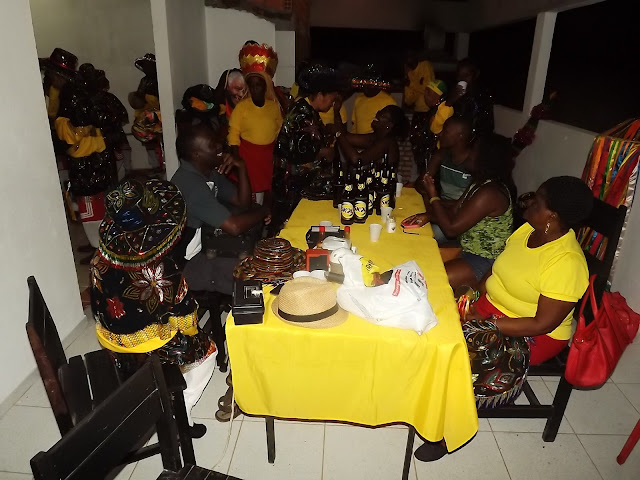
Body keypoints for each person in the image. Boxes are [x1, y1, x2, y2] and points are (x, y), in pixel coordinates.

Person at [90, 178, 215, 439]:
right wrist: (193, 334)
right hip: (148, 344)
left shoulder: (99, 257)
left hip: (109, 337)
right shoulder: (161, 268)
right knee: (207, 352)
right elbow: (185, 319)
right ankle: (182, 411)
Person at [471, 176, 593, 364]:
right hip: (493, 309)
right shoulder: (527, 230)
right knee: (439, 321)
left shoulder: (567, 263)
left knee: (458, 354)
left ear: (551, 216)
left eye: (537, 200)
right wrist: (474, 296)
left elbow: (541, 324)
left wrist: (486, 324)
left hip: (533, 334)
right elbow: (497, 270)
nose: (529, 201)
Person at [171, 123, 270, 295]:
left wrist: (241, 167)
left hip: (207, 247)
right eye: (212, 145)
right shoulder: (190, 184)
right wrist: (264, 210)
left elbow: (242, 203)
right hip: (187, 264)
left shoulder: (209, 173)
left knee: (263, 258)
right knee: (257, 274)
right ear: (196, 154)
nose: (219, 146)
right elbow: (234, 227)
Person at [419, 134, 515, 290]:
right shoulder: (480, 183)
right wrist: (429, 215)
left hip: (485, 259)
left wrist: (433, 195)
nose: (469, 154)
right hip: (468, 250)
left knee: (430, 281)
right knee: (420, 260)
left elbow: (451, 230)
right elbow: (455, 210)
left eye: (474, 151)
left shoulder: (490, 193)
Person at [271, 64, 341, 234]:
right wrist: (324, 152)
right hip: (293, 181)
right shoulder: (302, 113)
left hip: (298, 179)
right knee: (289, 223)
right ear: (320, 95)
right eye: (331, 99)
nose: (332, 104)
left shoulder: (307, 110)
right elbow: (298, 152)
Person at [228, 42, 283, 199]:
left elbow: (279, 130)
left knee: (266, 192)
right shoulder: (242, 107)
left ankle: (264, 213)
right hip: (248, 156)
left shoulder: (273, 107)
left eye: (258, 85)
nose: (255, 89)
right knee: (250, 191)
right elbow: (233, 133)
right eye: (251, 86)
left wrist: (278, 153)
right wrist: (236, 157)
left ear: (265, 86)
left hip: (267, 156)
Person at [336, 105, 409, 168]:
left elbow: (357, 160)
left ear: (389, 125)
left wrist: (338, 133)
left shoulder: (388, 142)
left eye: (382, 115)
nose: (377, 114)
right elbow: (346, 137)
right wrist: (336, 112)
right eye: (379, 112)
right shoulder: (375, 137)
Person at [129, 53, 163, 171]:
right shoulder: (144, 81)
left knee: (161, 142)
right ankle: (155, 167)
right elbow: (139, 100)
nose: (147, 68)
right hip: (144, 117)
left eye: (149, 65)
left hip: (158, 117)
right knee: (149, 143)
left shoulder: (160, 80)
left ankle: (164, 166)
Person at [411, 79, 450, 176]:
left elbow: (436, 130)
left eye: (429, 93)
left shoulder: (445, 109)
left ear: (439, 96)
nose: (425, 96)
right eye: (425, 92)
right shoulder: (432, 111)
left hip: (439, 157)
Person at [451, 57, 494, 137]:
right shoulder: (453, 93)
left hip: (473, 138)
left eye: (466, 75)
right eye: (459, 76)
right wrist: (452, 99)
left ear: (476, 75)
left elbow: (486, 127)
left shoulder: (482, 96)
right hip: (456, 135)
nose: (462, 79)